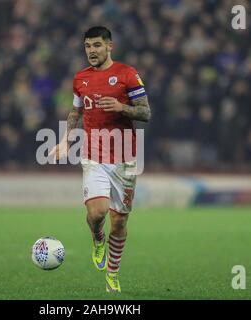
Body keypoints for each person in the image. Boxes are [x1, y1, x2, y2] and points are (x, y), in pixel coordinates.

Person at [50, 26, 150, 293]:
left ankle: (112, 274)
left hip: (125, 158)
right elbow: (75, 111)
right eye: (87, 46)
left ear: (109, 46)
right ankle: (97, 237)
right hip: (93, 155)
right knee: (98, 213)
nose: (91, 51)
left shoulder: (128, 74)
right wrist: (65, 139)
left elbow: (146, 113)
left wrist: (121, 107)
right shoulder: (80, 79)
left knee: (119, 221)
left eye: (96, 45)